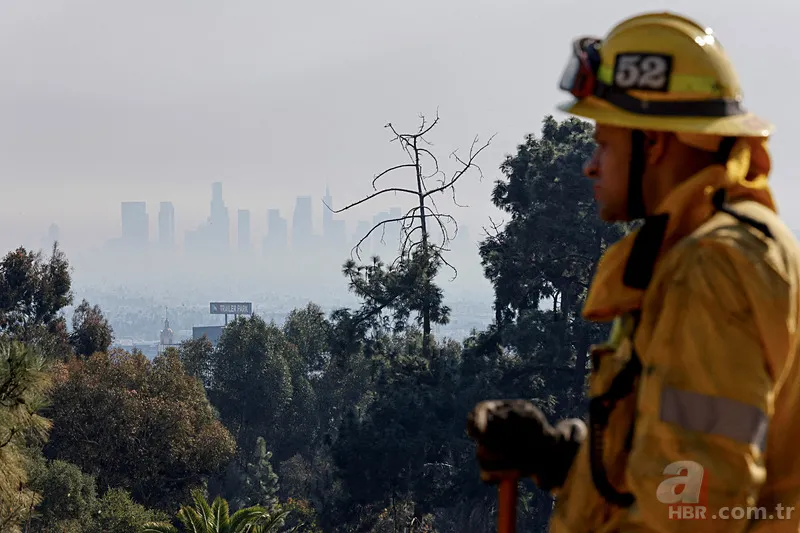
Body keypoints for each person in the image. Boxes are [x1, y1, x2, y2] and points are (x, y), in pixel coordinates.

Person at [467, 11, 800, 533]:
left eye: (603, 143)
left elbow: (695, 510)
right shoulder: (725, 246)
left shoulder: (709, 268)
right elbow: (677, 465)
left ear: (655, 142)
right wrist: (560, 458)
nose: (591, 165)